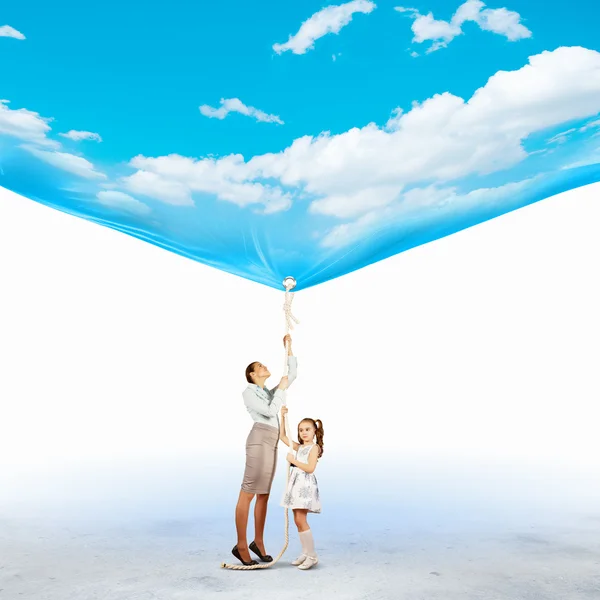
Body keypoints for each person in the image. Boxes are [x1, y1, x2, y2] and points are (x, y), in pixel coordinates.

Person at [231, 334, 297, 566]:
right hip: (259, 439)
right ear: (252, 374)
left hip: (272, 442)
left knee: (264, 495)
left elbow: (292, 376)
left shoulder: (270, 392)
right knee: (248, 492)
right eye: (260, 366)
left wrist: (288, 348)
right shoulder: (249, 392)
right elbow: (270, 412)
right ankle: (241, 545)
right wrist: (281, 390)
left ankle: (258, 542)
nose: (265, 366)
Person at [279, 405, 324, 570]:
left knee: (301, 519)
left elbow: (310, 468)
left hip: (304, 485)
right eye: (300, 430)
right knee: (297, 520)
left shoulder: (314, 448)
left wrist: (293, 460)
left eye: (307, 429)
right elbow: (282, 436)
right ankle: (306, 552)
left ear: (314, 432)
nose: (303, 432)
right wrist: (282, 417)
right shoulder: (299, 447)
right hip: (296, 484)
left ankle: (312, 555)